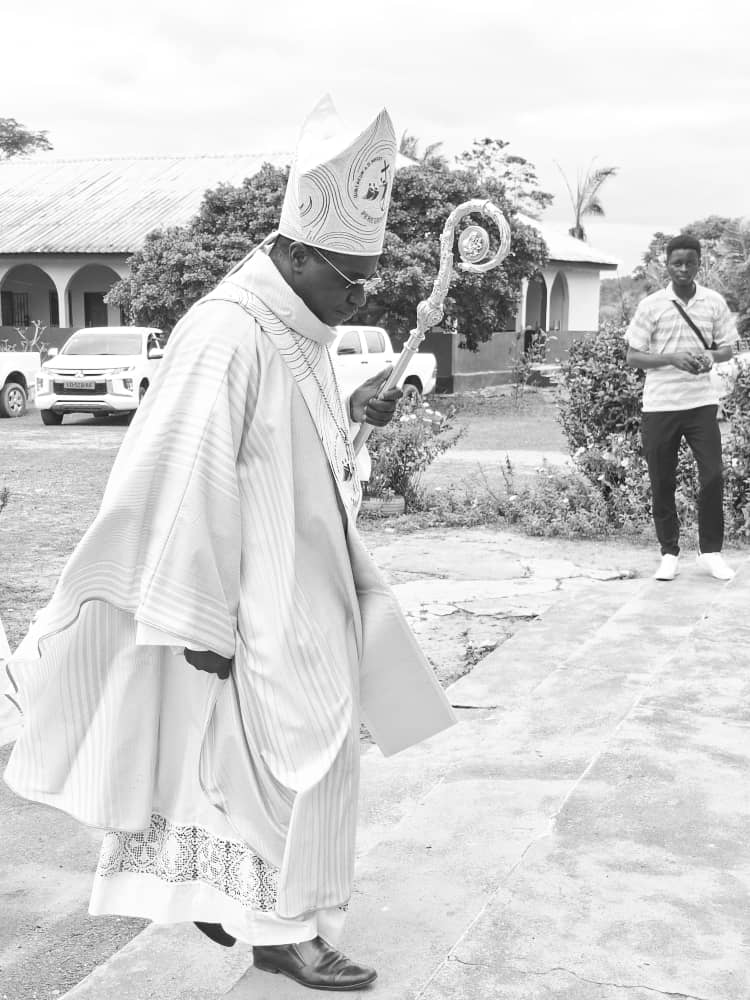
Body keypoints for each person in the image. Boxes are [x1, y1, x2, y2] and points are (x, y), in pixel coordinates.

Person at [3, 96, 456, 992]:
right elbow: (181, 482)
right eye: (347, 277)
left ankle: (273, 912)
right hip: (250, 602)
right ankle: (280, 930)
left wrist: (354, 411)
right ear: (291, 252)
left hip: (308, 586)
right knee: (286, 761)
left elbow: (287, 449)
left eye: (369, 281)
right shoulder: (227, 331)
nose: (358, 296)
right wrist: (198, 624)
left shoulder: (296, 325)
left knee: (310, 752)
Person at [624, 233, 739, 582]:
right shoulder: (652, 305)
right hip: (660, 406)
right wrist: (672, 358)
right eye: (677, 263)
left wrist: (707, 357)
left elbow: (728, 349)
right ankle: (669, 553)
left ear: (699, 263)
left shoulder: (714, 302)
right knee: (662, 480)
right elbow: (633, 356)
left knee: (713, 475)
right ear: (667, 265)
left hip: (701, 403)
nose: (684, 268)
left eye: (690, 262)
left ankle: (711, 552)